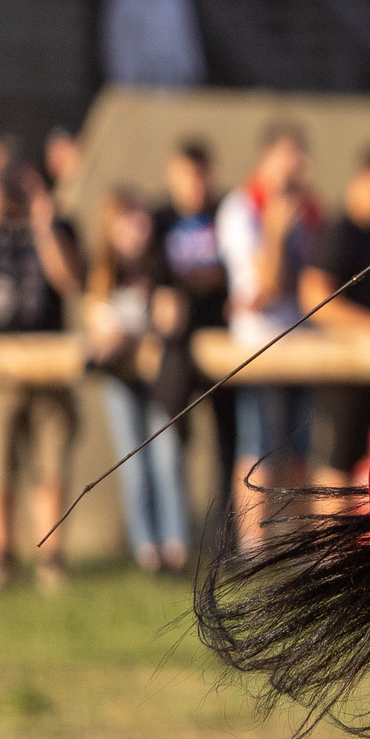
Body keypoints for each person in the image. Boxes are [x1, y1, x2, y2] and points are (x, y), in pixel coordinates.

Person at [0, 141, 82, 590]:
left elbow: (69, 281)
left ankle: (51, 561)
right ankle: (1, 559)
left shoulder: (58, 225)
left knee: (51, 468)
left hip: (49, 364)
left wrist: (44, 225)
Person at [217, 122, 318, 547]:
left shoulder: (307, 208)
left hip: (302, 342)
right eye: (289, 155)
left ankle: (299, 544)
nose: (297, 165)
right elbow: (264, 288)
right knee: (256, 446)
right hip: (257, 344)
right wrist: (275, 230)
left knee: (300, 449)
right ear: (268, 157)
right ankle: (253, 546)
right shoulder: (242, 208)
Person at [81, 189, 189, 573]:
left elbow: (171, 317)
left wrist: (129, 331)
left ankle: (176, 546)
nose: (137, 229)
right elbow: (98, 325)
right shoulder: (101, 272)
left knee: (167, 459)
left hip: (162, 379)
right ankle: (146, 550)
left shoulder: (161, 264)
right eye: (128, 221)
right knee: (132, 463)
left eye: (141, 220)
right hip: (120, 380)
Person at [302, 150, 370, 493]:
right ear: (361, 179)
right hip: (339, 370)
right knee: (334, 469)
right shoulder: (339, 230)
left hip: (368, 370)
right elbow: (314, 299)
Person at [155, 140, 229, 528]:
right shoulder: (160, 219)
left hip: (224, 340)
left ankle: (225, 531)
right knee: (172, 436)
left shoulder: (226, 213)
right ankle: (176, 535)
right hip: (177, 347)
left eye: (200, 175)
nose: (194, 185)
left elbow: (229, 273)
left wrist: (189, 282)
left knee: (228, 444)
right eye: (186, 176)